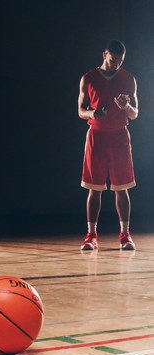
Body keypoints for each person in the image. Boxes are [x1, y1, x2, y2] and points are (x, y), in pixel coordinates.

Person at [78, 39, 138, 250]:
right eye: (113, 60)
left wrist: (126, 106)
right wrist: (93, 113)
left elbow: (135, 114)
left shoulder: (128, 78)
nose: (117, 65)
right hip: (97, 135)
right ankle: (91, 235)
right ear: (105, 55)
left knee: (122, 187)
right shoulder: (89, 78)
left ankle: (125, 235)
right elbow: (80, 110)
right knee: (94, 188)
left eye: (120, 61)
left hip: (120, 136)